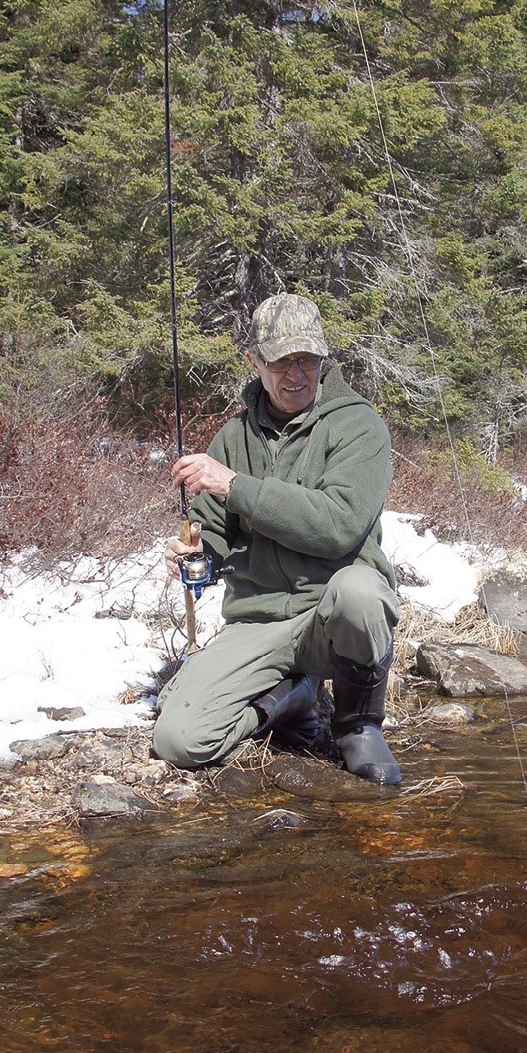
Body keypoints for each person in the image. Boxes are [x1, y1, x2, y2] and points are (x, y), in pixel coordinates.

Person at [152, 292, 402, 785]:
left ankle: (358, 725)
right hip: (257, 621)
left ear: (323, 360)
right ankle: (286, 700)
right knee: (177, 740)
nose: (296, 375)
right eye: (282, 361)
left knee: (360, 591)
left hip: (330, 619)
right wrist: (196, 556)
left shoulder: (358, 426)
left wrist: (236, 486)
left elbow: (339, 525)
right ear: (254, 362)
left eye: (307, 360)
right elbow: (214, 534)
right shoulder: (232, 438)